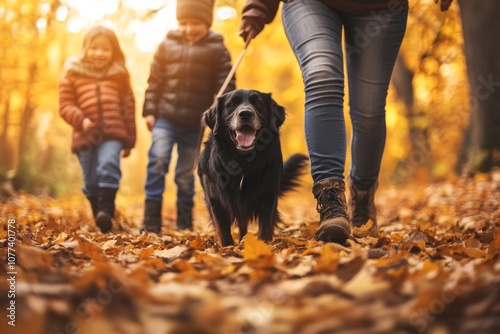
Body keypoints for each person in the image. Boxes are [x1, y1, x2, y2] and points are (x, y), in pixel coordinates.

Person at [239, 0, 453, 244]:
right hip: (309, 4)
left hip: (381, 8)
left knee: (369, 112)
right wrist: (257, 7)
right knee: (322, 76)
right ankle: (330, 200)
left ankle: (362, 196)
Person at [142, 0, 235, 233]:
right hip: (166, 118)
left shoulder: (217, 48)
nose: (189, 28)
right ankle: (150, 222)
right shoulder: (166, 45)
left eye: (195, 23)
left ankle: (184, 222)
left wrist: (223, 110)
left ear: (207, 22)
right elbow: (155, 81)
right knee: (158, 162)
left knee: (185, 174)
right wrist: (150, 110)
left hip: (196, 124)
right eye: (183, 23)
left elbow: (227, 85)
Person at [59, 25, 136, 233]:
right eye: (94, 48)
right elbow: (65, 105)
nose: (99, 53)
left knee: (109, 165)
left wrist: (130, 139)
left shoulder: (120, 75)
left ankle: (106, 211)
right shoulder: (71, 74)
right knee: (91, 181)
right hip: (84, 136)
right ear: (85, 49)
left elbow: (129, 107)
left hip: (113, 133)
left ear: (114, 51)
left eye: (105, 49)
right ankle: (100, 217)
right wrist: (81, 120)